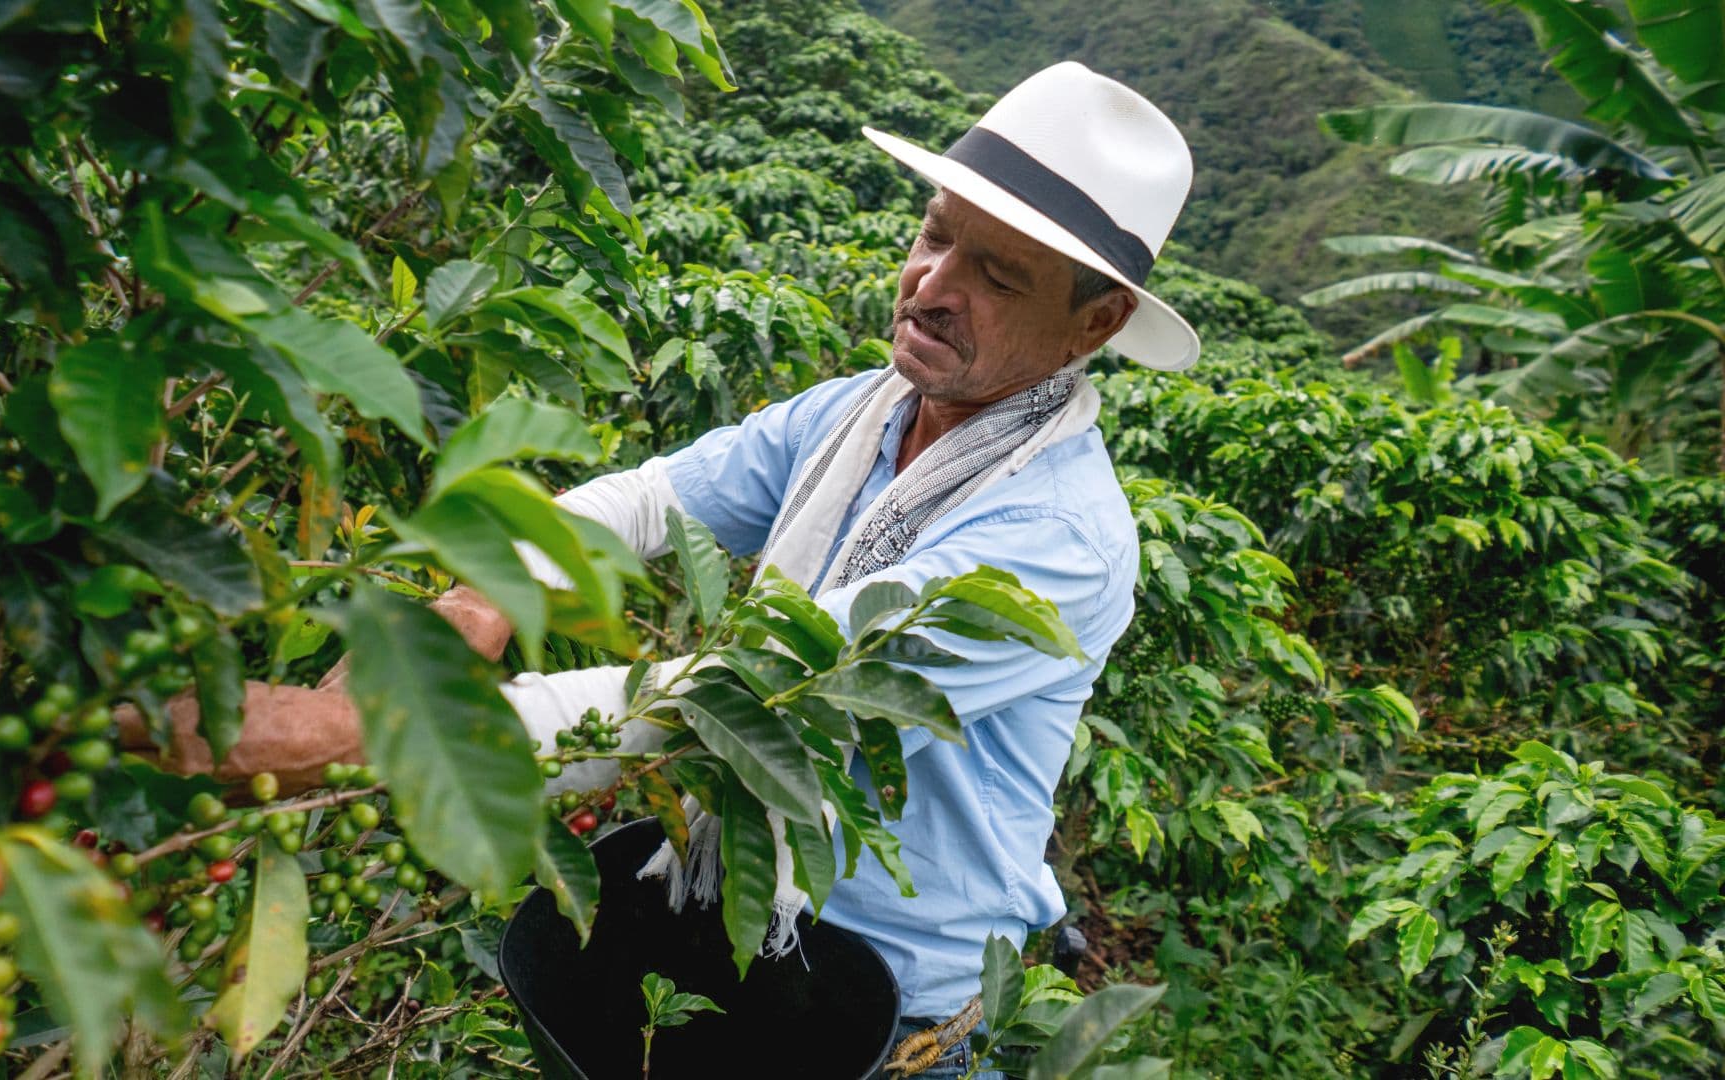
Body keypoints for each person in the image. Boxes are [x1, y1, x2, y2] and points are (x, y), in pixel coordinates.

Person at [132, 61, 1199, 1078]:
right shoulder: (856, 415)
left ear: (1095, 323)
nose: (933, 285)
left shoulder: (1057, 540)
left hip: (889, 1017)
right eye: (935, 235)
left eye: (997, 277)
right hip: (724, 931)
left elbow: (769, 697)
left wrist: (400, 732)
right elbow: (649, 501)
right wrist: (478, 601)